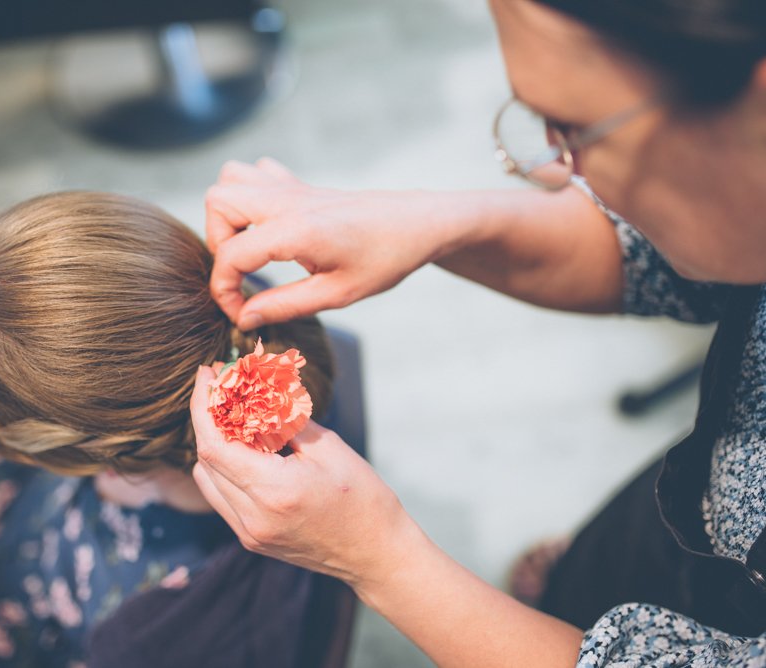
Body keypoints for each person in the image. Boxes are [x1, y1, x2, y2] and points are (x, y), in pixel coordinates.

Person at [188, 0, 766, 665]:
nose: (560, 172)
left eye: (575, 127)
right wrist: (435, 223)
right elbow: (673, 258)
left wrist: (385, 562)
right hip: (696, 509)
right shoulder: (736, 204)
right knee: (593, 575)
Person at [0, 191, 353, 667]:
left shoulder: (143, 631)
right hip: (32, 519)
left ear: (43, 446)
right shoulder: (263, 337)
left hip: (22, 626)